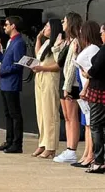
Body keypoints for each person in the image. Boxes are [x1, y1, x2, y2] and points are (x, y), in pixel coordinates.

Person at [53, 12, 82, 164]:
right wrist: (57, 46)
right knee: (66, 116)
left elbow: (71, 67)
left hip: (70, 83)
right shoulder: (68, 41)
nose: (62, 24)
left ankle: (72, 149)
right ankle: (69, 148)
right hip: (64, 81)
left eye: (64, 21)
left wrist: (67, 86)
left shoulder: (76, 41)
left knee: (72, 116)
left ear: (70, 23)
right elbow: (60, 62)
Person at [0, 16, 27, 153]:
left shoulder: (19, 42)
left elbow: (18, 65)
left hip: (12, 83)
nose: (4, 27)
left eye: (6, 24)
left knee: (15, 114)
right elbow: (8, 61)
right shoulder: (11, 42)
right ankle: (9, 140)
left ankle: (17, 143)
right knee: (8, 114)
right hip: (6, 83)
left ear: (13, 26)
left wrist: (2, 71)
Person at [31, 19, 63, 159]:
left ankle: (51, 146)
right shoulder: (46, 42)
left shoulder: (58, 43)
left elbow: (58, 65)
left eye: (47, 26)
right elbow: (39, 56)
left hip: (50, 77)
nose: (44, 28)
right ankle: (42, 143)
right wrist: (38, 39)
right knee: (41, 112)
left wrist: (42, 68)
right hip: (40, 77)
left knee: (50, 112)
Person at [72, 21, 101, 168]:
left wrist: (86, 89)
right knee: (88, 124)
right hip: (85, 87)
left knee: (92, 123)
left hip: (89, 89)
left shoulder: (94, 49)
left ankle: (91, 155)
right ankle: (87, 153)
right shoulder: (89, 48)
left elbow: (93, 72)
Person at [81, 22, 105, 174]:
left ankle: (99, 160)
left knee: (96, 125)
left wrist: (87, 73)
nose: (101, 34)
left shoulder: (104, 49)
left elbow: (96, 68)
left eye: (103, 31)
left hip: (99, 90)